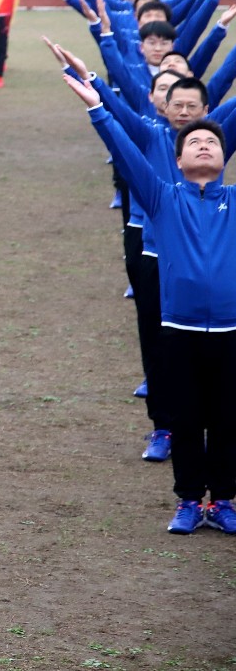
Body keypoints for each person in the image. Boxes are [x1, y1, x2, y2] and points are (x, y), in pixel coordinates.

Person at [62, 71, 236, 536]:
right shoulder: (161, 198)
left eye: (212, 142)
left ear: (224, 157)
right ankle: (188, 500)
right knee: (185, 418)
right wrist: (97, 109)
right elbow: (126, 153)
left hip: (230, 331)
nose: (204, 146)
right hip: (178, 329)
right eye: (194, 143)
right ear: (177, 161)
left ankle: (222, 500)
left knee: (228, 420)